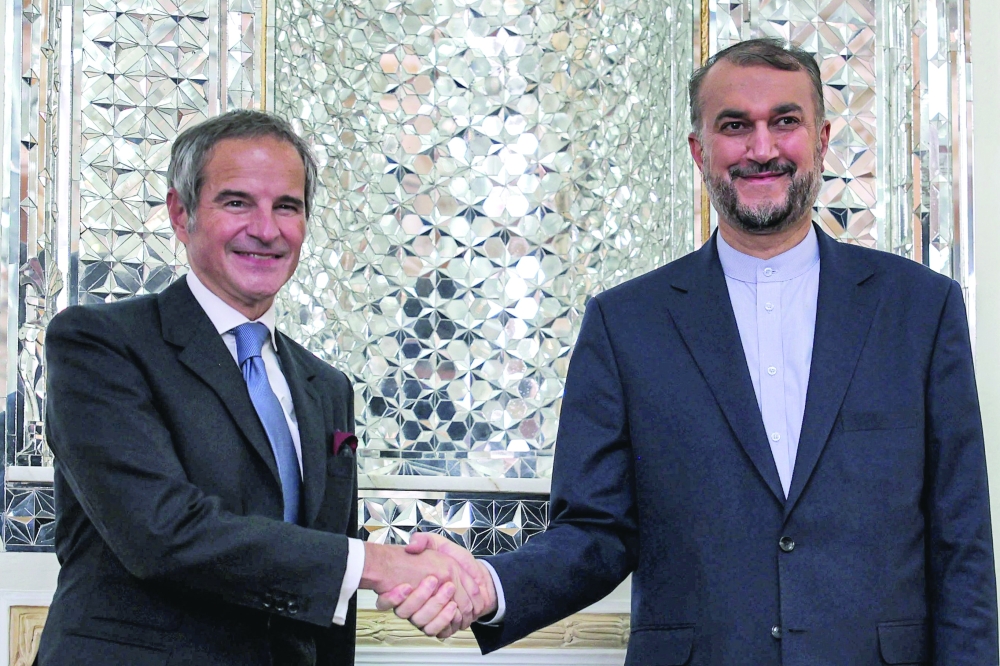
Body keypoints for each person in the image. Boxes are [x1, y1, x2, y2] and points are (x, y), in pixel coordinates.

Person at [384, 38, 1000, 664]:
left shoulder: (921, 310)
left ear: (821, 139)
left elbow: (962, 544)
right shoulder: (625, 325)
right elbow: (595, 533)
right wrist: (490, 584)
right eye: (735, 126)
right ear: (699, 150)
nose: (762, 148)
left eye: (785, 121)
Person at [35, 109, 485, 665]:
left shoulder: (326, 387)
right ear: (181, 214)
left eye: (287, 207)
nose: (266, 230)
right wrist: (379, 562)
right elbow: (161, 532)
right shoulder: (100, 345)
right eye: (236, 202)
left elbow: (322, 601)